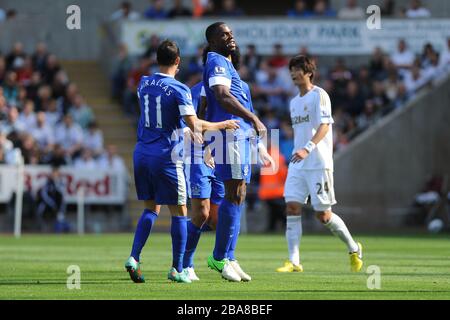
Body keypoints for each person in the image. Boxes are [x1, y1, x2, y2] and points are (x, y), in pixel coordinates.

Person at [124, 39, 239, 284]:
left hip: (141, 152)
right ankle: (178, 269)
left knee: (150, 209)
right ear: (178, 61)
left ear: (157, 59)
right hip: (166, 155)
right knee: (179, 212)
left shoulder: (143, 83)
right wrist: (222, 124)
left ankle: (134, 257)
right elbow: (194, 123)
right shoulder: (180, 89)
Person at [183, 46, 274, 281]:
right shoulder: (199, 90)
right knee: (202, 214)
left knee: (229, 204)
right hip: (202, 155)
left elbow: (248, 120)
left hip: (235, 145)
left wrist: (260, 147)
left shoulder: (242, 88)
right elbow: (191, 121)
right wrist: (206, 146)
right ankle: (185, 263)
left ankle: (229, 257)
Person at [276, 55, 363, 273]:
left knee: (323, 215)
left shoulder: (320, 95)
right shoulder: (294, 102)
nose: (294, 73)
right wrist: (300, 150)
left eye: (298, 69)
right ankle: (294, 261)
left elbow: (325, 126)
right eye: (292, 70)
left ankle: (354, 248)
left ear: (309, 73)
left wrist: (308, 147)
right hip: (299, 163)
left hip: (318, 162)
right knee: (292, 207)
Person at [202, 22, 267, 282]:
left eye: (231, 34)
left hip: (238, 137)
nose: (230, 37)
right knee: (233, 193)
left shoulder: (228, 65)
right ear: (213, 42)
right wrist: (254, 118)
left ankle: (229, 255)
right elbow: (221, 95)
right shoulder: (217, 61)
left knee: (239, 194)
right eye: (223, 34)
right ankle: (219, 257)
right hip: (227, 135)